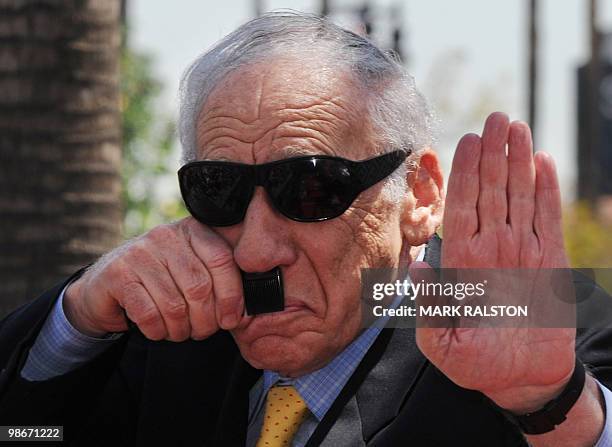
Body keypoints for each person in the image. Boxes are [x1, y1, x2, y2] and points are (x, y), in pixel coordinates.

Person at [1, 11, 611, 447]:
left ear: (419, 195)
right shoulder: (166, 335)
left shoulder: (529, 313)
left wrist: (553, 406)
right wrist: (76, 318)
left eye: (311, 189)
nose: (258, 246)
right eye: (221, 190)